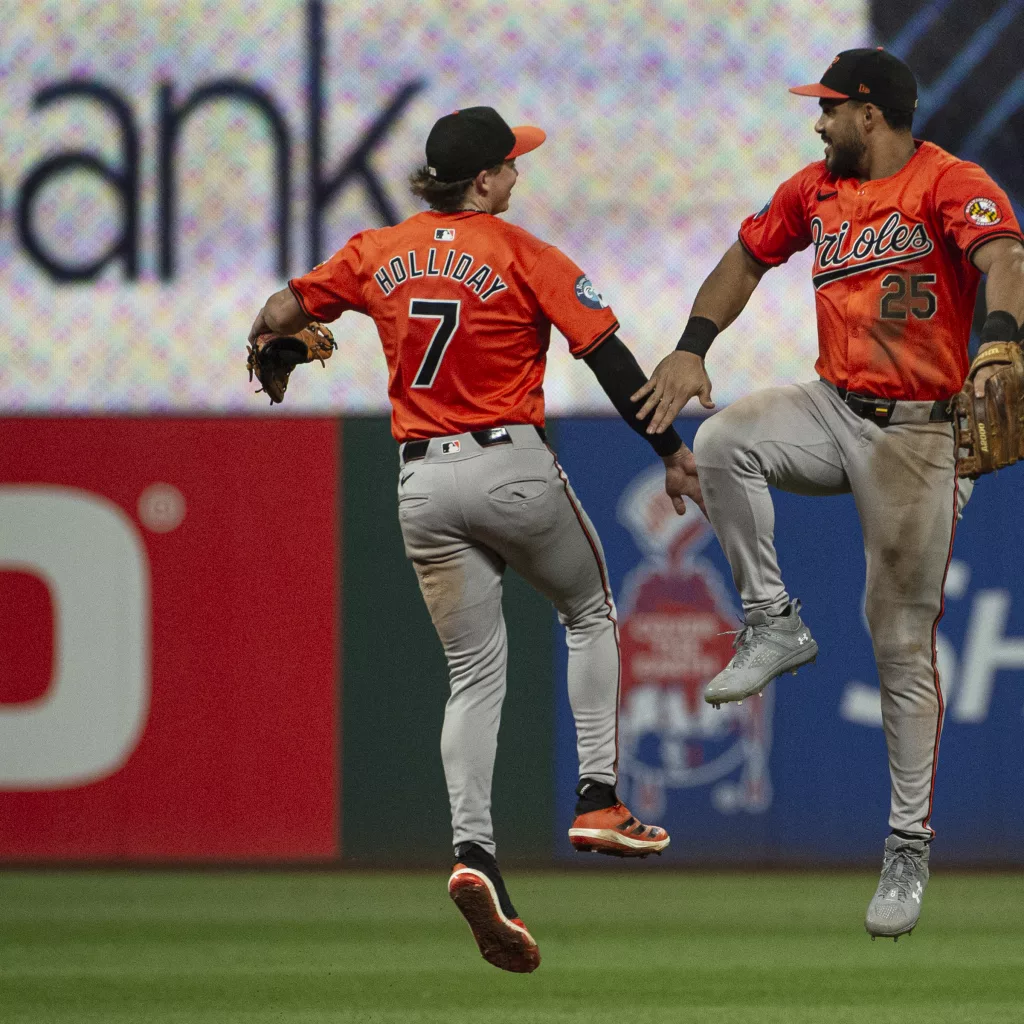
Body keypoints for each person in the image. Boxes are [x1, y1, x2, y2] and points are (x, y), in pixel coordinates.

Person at [248, 106, 704, 973]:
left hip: (420, 481)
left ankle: (474, 853)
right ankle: (600, 798)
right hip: (509, 465)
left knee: (472, 674)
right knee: (588, 610)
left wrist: (272, 343)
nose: (518, 177)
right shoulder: (522, 251)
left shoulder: (375, 250)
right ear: (485, 180)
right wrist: (672, 452)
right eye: (511, 166)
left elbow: (279, 310)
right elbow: (610, 359)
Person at [635, 49, 1024, 939]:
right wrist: (693, 343)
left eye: (829, 109)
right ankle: (772, 619)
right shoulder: (814, 189)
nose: (817, 123)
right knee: (727, 438)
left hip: (922, 430)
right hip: (831, 404)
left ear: (871, 114)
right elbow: (742, 260)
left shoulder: (948, 181)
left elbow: (1005, 257)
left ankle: (906, 846)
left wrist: (998, 339)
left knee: (896, 639)